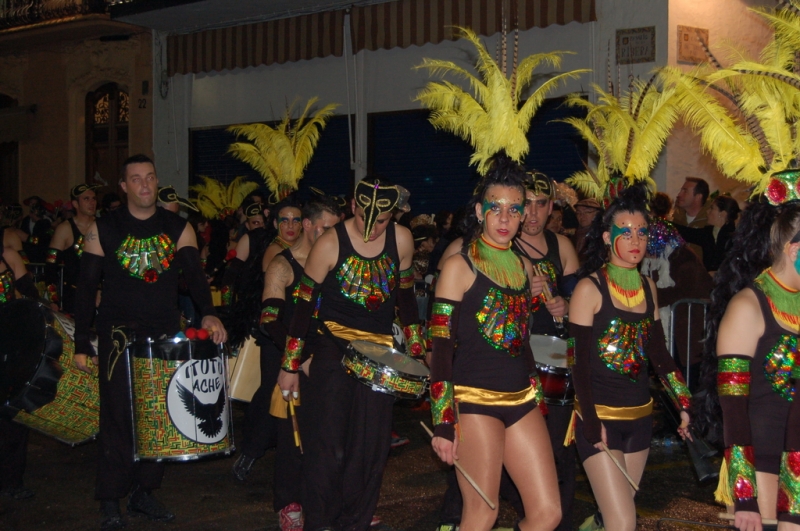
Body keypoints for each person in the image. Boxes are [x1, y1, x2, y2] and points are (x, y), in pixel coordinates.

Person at [72, 154, 226, 531]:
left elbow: (195, 277)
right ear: (123, 186)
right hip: (117, 336)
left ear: (157, 182)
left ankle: (144, 492)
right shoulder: (102, 229)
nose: (144, 185)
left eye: (150, 177)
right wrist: (80, 341)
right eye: (135, 179)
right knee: (118, 416)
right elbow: (86, 287)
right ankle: (110, 497)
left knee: (158, 414)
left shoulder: (178, 227)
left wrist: (208, 312)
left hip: (162, 335)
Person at [277, 176, 421, 531]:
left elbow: (405, 300)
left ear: (393, 216)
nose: (372, 230)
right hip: (332, 346)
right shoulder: (329, 243)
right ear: (353, 207)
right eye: (364, 220)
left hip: (379, 352)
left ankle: (353, 522)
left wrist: (418, 352)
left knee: (370, 448)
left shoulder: (401, 240)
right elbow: (302, 309)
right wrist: (290, 366)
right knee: (326, 446)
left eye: (383, 222)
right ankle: (320, 522)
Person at [429, 156, 560, 531]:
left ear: (523, 217)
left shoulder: (524, 266)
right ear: (479, 211)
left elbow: (520, 338)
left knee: (547, 514)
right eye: (495, 208)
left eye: (513, 209)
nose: (504, 219)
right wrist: (443, 420)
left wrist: (535, 391)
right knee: (482, 512)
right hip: (473, 401)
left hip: (521, 399)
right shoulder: (458, 266)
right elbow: (439, 348)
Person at [569, 184, 691, 531]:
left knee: (613, 518)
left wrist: (683, 402)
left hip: (640, 420)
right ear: (608, 237)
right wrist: (590, 421)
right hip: (600, 420)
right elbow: (577, 363)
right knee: (624, 523)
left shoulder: (648, 287)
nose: (636, 240)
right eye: (627, 232)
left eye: (642, 232)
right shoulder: (588, 289)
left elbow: (659, 356)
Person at [696, 197, 800, 531]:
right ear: (794, 250)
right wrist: (745, 496)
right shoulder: (747, 307)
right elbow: (733, 407)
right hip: (761, 460)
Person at [241, 196, 341, 530]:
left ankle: (329, 501)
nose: (332, 234)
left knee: (329, 435)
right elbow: (269, 319)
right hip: (290, 356)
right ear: (311, 226)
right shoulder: (282, 265)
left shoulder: (335, 262)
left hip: (327, 357)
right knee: (291, 436)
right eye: (327, 227)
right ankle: (289, 502)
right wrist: (298, 359)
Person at [511, 171, 579, 531]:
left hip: (555, 357)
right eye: (527, 205)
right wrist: (523, 294)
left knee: (559, 445)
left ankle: (558, 520)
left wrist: (566, 305)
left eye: (541, 205)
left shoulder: (562, 246)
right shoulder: (503, 246)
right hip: (515, 358)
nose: (533, 215)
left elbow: (582, 302)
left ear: (551, 206)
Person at [640, 218, 712, 392]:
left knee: (688, 382)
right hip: (670, 332)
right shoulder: (651, 261)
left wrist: (653, 297)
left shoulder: (683, 257)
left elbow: (691, 289)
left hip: (686, 334)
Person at [0, 246, 40, 500]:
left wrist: (14, 293)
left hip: (9, 344)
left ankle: (11, 481)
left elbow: (32, 298)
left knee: (12, 417)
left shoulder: (8, 255)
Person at [44, 184, 99, 314]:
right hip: (75, 296)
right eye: (86, 199)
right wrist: (53, 299)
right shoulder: (64, 229)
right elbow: (51, 266)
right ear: (75, 203)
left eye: (94, 198)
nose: (92, 203)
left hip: (102, 294)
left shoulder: (103, 226)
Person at [676, 195, 740, 274]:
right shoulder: (708, 233)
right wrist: (662, 222)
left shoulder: (735, 237)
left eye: (712, 208)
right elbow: (686, 232)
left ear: (722, 214)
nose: (707, 211)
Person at [261, 199, 303, 268]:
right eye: (285, 221)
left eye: (295, 221)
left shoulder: (303, 244)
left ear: (302, 224)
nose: (290, 226)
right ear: (275, 224)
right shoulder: (274, 250)